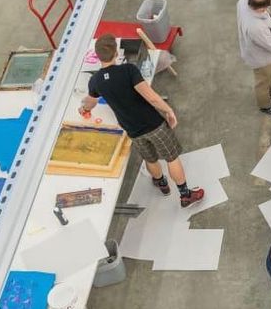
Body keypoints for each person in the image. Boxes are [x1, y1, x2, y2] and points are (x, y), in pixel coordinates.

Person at [79, 35, 203, 208]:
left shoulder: (95, 81)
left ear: (98, 56)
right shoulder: (128, 70)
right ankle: (185, 195)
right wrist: (168, 110)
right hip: (153, 124)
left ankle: (162, 184)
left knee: (150, 159)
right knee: (171, 157)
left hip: (133, 130)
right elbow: (151, 97)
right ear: (116, 53)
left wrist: (84, 109)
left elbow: (90, 102)